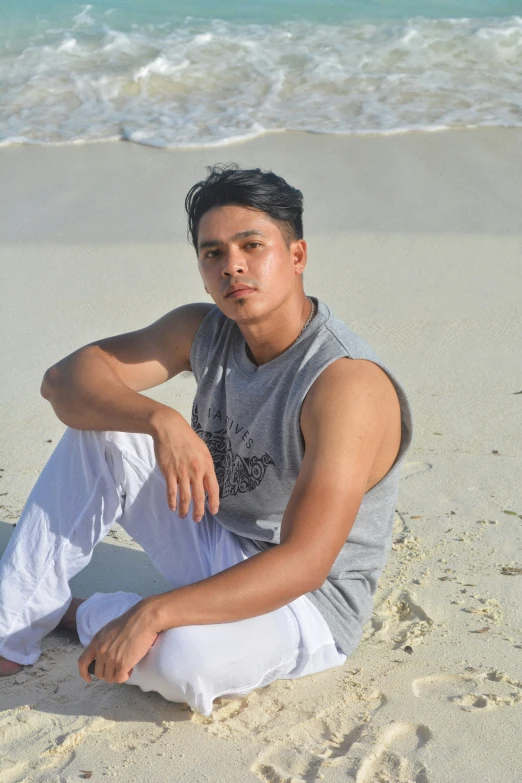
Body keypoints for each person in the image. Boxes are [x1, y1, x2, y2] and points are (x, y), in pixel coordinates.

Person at [0, 165, 412, 715]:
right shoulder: (204, 331)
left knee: (179, 663)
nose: (232, 265)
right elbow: (63, 383)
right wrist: (160, 421)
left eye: (251, 245)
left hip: (306, 604)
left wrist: (153, 613)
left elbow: (305, 563)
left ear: (296, 256)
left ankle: (86, 613)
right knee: (102, 434)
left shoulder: (344, 383)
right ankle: (15, 626)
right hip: (221, 540)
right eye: (212, 252)